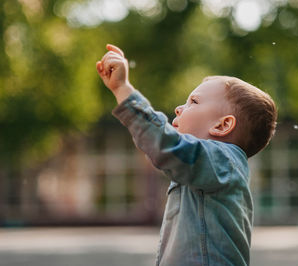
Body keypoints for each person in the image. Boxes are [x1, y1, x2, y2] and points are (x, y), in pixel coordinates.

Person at [96, 44, 277, 266]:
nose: (179, 108)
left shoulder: (222, 160)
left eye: (194, 102)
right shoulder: (214, 166)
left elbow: (163, 144)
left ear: (222, 125)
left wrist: (123, 89)